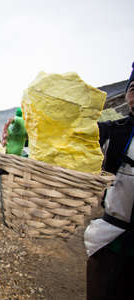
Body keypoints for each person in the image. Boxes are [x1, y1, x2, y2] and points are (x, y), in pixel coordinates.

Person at [84, 62, 134, 300]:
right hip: (111, 238)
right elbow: (72, 138)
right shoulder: (116, 131)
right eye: (133, 88)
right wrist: (24, 136)